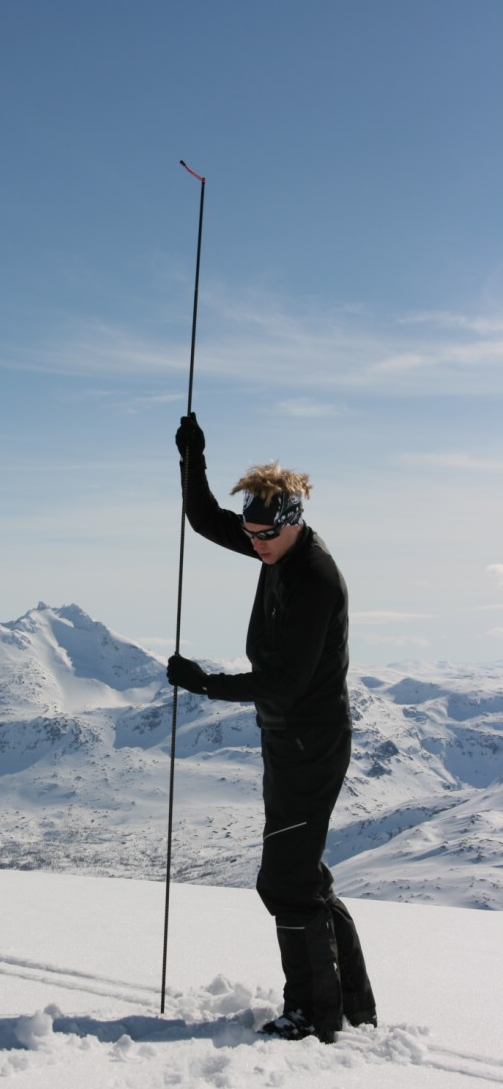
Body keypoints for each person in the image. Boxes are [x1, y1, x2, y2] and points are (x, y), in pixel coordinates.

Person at [167, 412, 376, 1044]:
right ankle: (349, 1006)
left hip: (309, 741)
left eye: (262, 535)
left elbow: (284, 681)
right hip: (291, 738)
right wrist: (192, 459)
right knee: (302, 874)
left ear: (291, 523)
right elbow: (206, 521)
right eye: (251, 533)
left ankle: (315, 1014)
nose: (253, 544)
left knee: (284, 879)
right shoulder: (275, 547)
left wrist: (204, 682)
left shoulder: (313, 578)